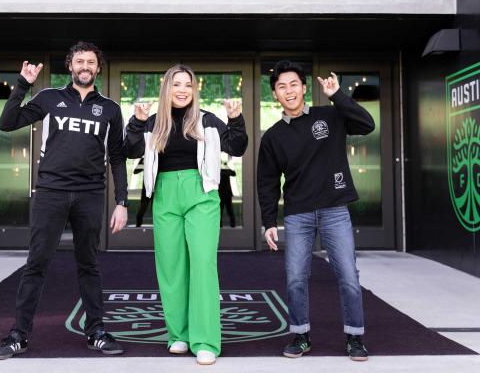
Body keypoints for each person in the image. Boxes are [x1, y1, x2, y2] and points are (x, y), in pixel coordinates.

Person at [0, 41, 128, 360]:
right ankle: (19, 335)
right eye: (79, 61)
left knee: (89, 264)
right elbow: (7, 122)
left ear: (98, 67)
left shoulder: (109, 108)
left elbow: (118, 157)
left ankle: (96, 331)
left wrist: (121, 201)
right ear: (70, 65)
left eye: (91, 62)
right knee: (36, 263)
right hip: (51, 192)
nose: (85, 66)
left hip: (90, 195)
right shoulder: (49, 97)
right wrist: (23, 84)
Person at [125, 64, 248, 365]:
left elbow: (237, 145)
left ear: (195, 90)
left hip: (200, 193)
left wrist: (236, 118)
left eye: (188, 85)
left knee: (203, 264)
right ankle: (178, 335)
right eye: (176, 84)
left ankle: (205, 340)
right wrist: (136, 122)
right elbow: (129, 150)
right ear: (166, 88)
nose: (182, 90)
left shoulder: (206, 119)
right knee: (171, 266)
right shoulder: (154, 122)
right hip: (165, 194)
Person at [257, 60, 374, 362]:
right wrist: (269, 221)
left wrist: (338, 96)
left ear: (304, 88)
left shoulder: (331, 115)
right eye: (282, 86)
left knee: (348, 274)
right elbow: (267, 182)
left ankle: (355, 337)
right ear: (275, 95)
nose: (289, 90)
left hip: (335, 210)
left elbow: (366, 124)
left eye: (294, 84)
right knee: (296, 277)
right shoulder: (272, 137)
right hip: (298, 214)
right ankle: (300, 335)